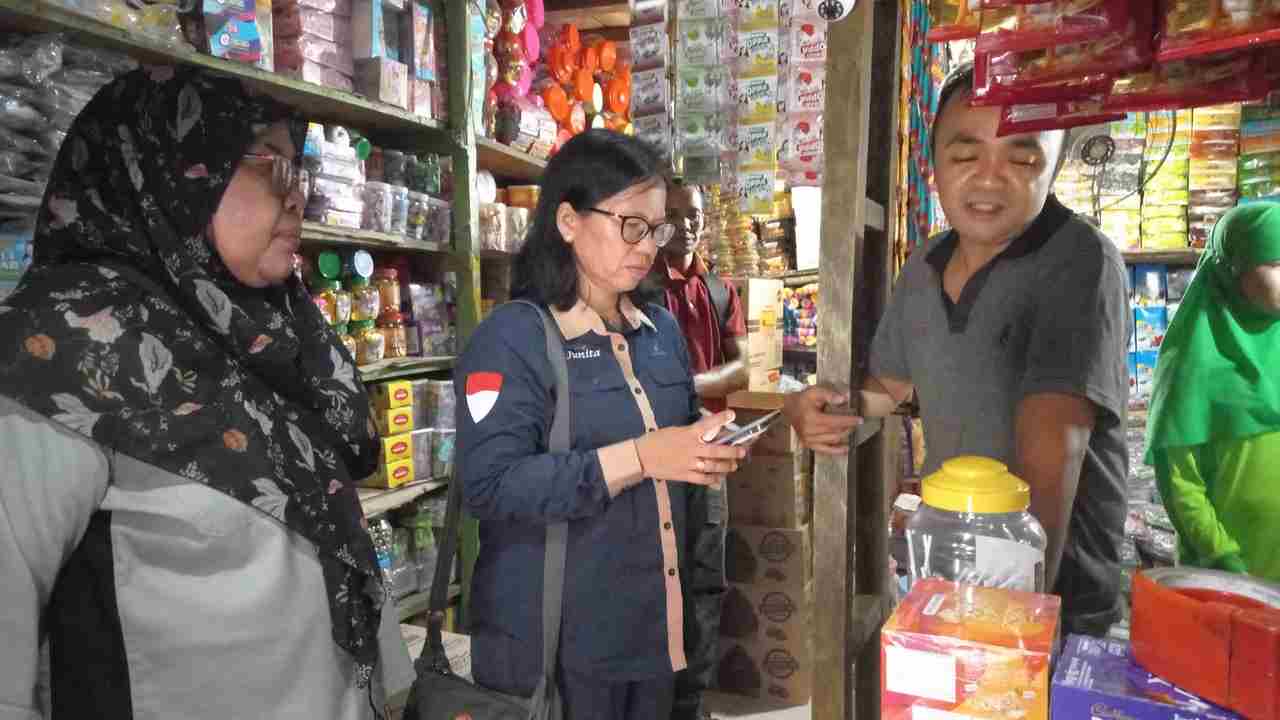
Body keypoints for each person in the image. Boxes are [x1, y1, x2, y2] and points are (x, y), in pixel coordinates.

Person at [0, 67, 412, 718]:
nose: (298, 195)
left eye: (296, 167)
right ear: (168, 168)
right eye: (264, 162)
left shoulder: (259, 331)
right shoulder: (58, 351)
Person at [782, 66, 1130, 636]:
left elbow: (1056, 446)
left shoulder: (1079, 261)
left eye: (1021, 158)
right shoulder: (923, 265)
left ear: (1057, 163)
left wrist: (1012, 616)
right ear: (934, 164)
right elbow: (888, 389)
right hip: (956, 577)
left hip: (1047, 598)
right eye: (966, 156)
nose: (989, 180)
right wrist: (819, 407)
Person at [454, 129, 747, 720]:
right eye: (630, 224)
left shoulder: (660, 332)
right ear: (568, 220)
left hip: (656, 636)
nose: (648, 245)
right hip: (559, 655)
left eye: (657, 228)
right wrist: (639, 457)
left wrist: (705, 446)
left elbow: (675, 446)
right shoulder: (513, 339)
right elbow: (490, 485)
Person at [638, 180, 747, 720]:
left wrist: (688, 385)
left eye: (696, 214)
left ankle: (691, 702)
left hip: (709, 449)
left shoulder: (721, 290)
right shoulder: (637, 285)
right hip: (650, 452)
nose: (688, 224)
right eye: (675, 215)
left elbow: (743, 366)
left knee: (705, 577)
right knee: (653, 572)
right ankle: (652, 695)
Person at [1145, 202, 1280, 582]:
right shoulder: (1191, 361)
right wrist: (1224, 557)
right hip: (1229, 577)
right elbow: (1180, 482)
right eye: (1275, 265)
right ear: (1233, 268)